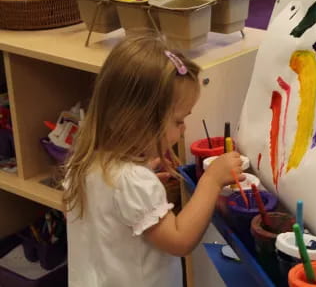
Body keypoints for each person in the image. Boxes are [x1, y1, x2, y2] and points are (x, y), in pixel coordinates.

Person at [64, 33, 243, 286]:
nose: (183, 128)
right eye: (178, 120)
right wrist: (211, 182)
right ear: (137, 121)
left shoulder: (82, 161)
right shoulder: (133, 182)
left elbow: (97, 214)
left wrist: (139, 194)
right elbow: (180, 240)